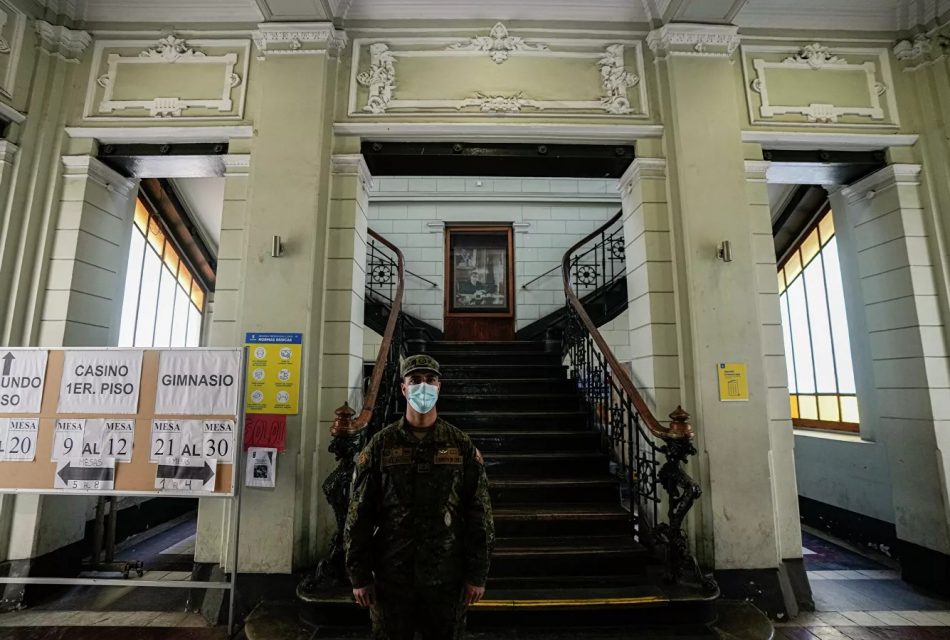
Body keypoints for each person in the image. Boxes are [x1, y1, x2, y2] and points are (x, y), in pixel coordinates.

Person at [344, 354, 495, 640]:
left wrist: (478, 574)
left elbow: (479, 513)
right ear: (403, 388)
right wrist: (359, 575)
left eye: (430, 380)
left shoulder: (460, 444)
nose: (422, 386)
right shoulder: (381, 444)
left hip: (446, 576)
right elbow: (359, 514)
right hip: (391, 575)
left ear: (439, 387)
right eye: (415, 380)